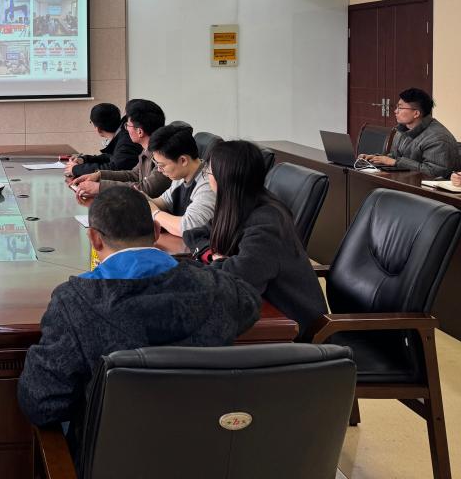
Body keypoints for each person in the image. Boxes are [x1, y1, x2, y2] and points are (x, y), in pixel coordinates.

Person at [17, 186, 260, 460]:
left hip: (113, 459)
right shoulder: (215, 287)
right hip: (205, 453)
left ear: (94, 238)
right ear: (156, 231)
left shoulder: (74, 303)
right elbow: (249, 302)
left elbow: (41, 403)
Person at [184, 140, 326, 339]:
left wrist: (219, 263)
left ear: (225, 178)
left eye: (209, 172)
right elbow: (193, 234)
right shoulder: (236, 205)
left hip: (295, 329)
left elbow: (241, 276)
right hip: (262, 308)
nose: (207, 177)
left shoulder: (267, 221)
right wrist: (211, 256)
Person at [69, 99, 171, 198]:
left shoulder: (163, 154)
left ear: (140, 132)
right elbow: (134, 175)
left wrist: (100, 187)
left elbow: (148, 189)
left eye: (127, 125)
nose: (125, 129)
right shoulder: (147, 149)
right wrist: (99, 175)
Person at [360, 87, 459, 177]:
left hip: (424, 188)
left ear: (416, 113)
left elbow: (434, 172)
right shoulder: (402, 129)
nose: (395, 111)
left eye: (400, 108)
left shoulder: (438, 138)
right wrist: (377, 159)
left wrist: (396, 162)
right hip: (404, 181)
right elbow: (394, 157)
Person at [147, 124, 215, 237]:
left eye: (162, 165)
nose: (159, 170)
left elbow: (189, 227)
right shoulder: (181, 176)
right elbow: (164, 201)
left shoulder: (208, 184)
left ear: (183, 160)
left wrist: (155, 213)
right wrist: (142, 200)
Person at [64, 102, 142, 178]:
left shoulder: (126, 141)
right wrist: (84, 159)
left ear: (98, 129)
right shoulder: (121, 134)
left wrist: (77, 169)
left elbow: (114, 168)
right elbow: (111, 157)